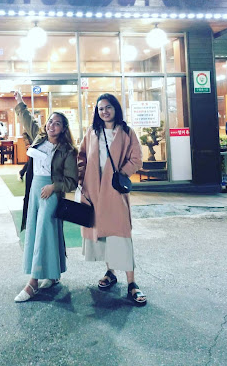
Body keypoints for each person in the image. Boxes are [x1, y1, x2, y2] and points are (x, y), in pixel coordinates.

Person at [78, 93, 147, 306]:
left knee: (121, 233)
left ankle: (132, 283)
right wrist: (81, 178)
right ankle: (110, 272)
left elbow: (136, 158)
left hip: (114, 190)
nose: (104, 111)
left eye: (108, 107)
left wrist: (121, 175)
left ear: (116, 108)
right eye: (100, 108)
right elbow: (81, 156)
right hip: (93, 189)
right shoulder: (92, 131)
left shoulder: (126, 132)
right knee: (102, 233)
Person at [13, 90, 78, 302]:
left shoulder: (67, 150)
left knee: (43, 234)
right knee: (35, 232)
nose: (52, 125)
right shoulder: (39, 137)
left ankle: (33, 283)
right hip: (34, 191)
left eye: (57, 123)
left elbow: (72, 181)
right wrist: (20, 102)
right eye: (50, 121)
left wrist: (54, 187)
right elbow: (27, 119)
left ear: (63, 128)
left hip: (51, 194)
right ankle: (51, 274)